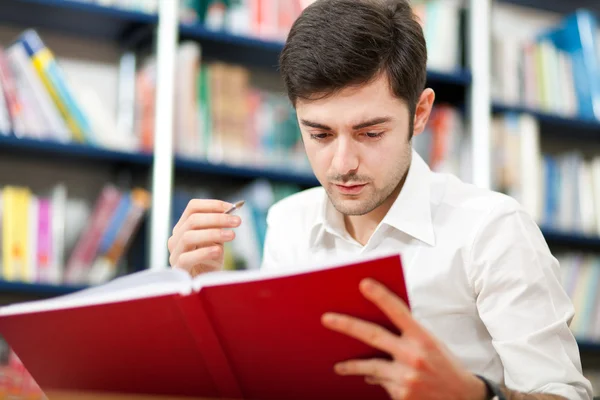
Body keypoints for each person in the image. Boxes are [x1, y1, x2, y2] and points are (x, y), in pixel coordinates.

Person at [167, 0, 593, 399]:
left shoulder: (492, 229)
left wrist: (475, 394)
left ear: (420, 113)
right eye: (319, 134)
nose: (343, 163)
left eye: (370, 133)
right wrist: (201, 298)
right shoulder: (287, 223)